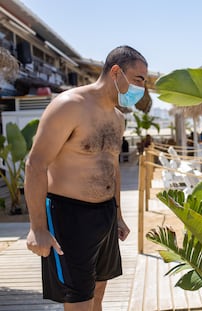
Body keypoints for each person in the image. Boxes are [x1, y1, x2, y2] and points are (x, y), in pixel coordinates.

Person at [25, 45, 148, 311]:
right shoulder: (69, 106)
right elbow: (35, 164)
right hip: (69, 218)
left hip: (104, 216)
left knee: (98, 298)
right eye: (139, 79)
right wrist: (37, 228)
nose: (142, 88)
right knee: (79, 302)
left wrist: (117, 213)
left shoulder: (118, 118)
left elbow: (111, 166)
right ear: (116, 72)